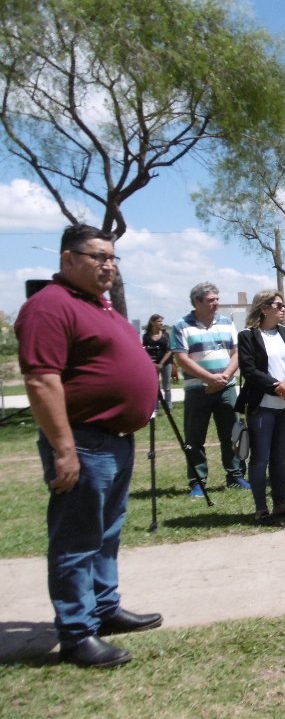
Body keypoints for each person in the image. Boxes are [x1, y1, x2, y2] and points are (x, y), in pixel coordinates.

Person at [16, 224, 162, 668]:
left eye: (113, 258)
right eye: (98, 256)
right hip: (83, 442)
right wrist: (63, 449)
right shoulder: (50, 306)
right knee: (77, 539)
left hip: (115, 441)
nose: (109, 266)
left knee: (107, 534)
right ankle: (78, 633)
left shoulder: (99, 305)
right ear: (68, 259)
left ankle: (104, 608)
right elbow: (41, 380)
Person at [171, 282, 249, 496]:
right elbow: (182, 359)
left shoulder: (226, 323)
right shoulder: (181, 325)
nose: (216, 303)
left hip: (226, 387)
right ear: (196, 302)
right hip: (197, 390)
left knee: (232, 434)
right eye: (211, 300)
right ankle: (198, 481)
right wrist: (209, 378)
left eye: (217, 298)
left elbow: (237, 353)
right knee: (194, 437)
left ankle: (236, 476)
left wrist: (224, 377)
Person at [237, 291, 285, 525]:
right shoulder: (248, 336)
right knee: (260, 457)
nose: (283, 309)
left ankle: (280, 504)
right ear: (264, 309)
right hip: (262, 406)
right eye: (278, 305)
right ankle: (261, 509)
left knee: (279, 457)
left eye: (283, 305)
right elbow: (249, 369)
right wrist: (276, 386)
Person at [142, 314, 173, 410]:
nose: (161, 323)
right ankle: (155, 408)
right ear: (152, 322)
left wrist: (161, 364)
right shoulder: (146, 336)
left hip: (166, 363)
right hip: (153, 364)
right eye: (159, 321)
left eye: (161, 321)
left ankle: (168, 407)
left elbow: (169, 350)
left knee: (167, 386)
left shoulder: (165, 335)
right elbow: (144, 351)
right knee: (155, 387)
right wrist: (153, 364)